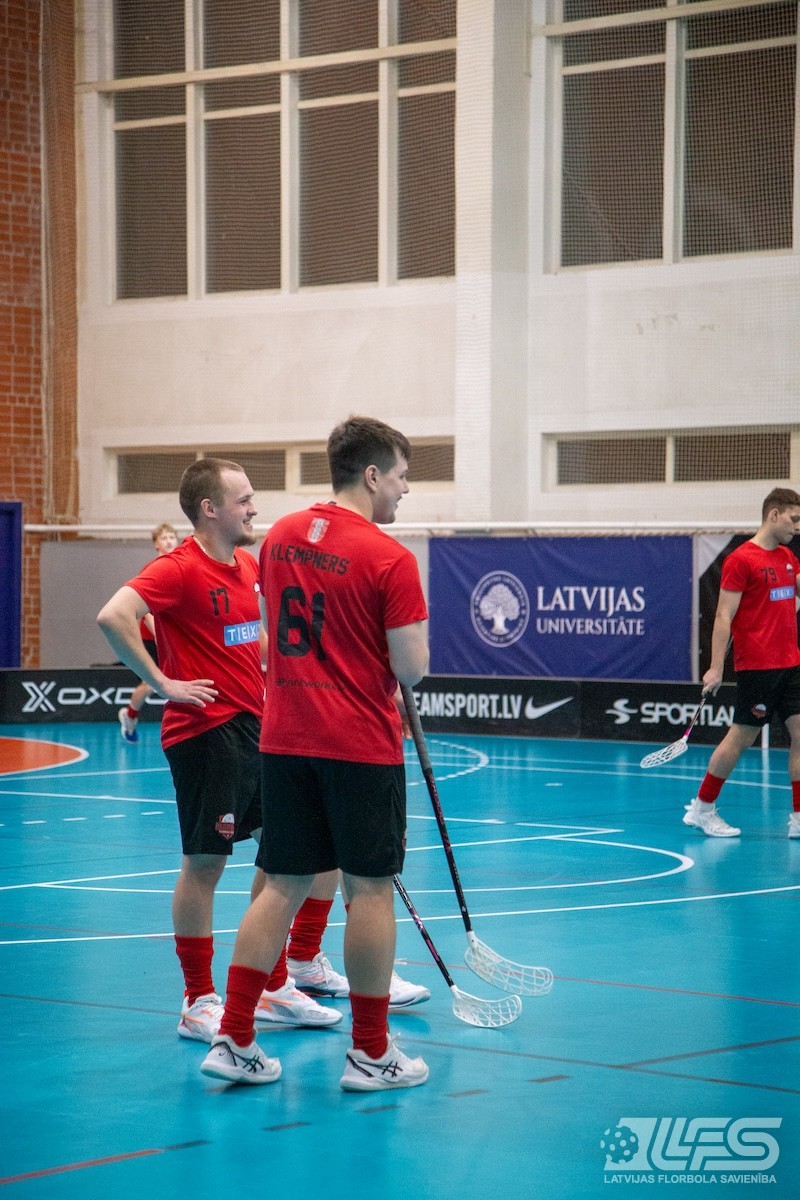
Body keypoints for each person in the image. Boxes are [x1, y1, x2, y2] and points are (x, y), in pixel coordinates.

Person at [201, 416, 431, 1092]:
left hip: (284, 737)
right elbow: (411, 669)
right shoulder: (390, 558)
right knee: (369, 891)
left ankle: (234, 1037)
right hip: (357, 743)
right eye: (401, 476)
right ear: (372, 474)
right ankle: (371, 1053)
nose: (405, 489)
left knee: (280, 884)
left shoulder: (280, 537)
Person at [97, 458, 342, 1042]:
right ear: (210, 509)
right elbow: (113, 616)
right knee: (205, 865)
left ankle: (273, 986)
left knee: (284, 856)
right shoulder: (178, 568)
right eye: (244, 499)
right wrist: (163, 683)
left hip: (257, 728)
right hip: (206, 734)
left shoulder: (248, 566)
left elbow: (253, 640)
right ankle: (197, 999)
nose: (254, 508)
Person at [683, 487, 800, 838]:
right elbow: (723, 615)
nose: (797, 526)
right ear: (774, 515)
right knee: (741, 738)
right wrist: (716, 666)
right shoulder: (741, 560)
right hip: (758, 667)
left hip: (791, 663)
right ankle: (702, 808)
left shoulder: (788, 557)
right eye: (794, 519)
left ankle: (799, 817)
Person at [118, 522, 179, 743]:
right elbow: (146, 613)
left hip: (173, 637)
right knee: (151, 683)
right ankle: (130, 715)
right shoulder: (151, 569)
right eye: (164, 538)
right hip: (152, 638)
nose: (169, 541)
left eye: (172, 537)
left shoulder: (180, 566)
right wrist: (161, 636)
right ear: (156, 544)